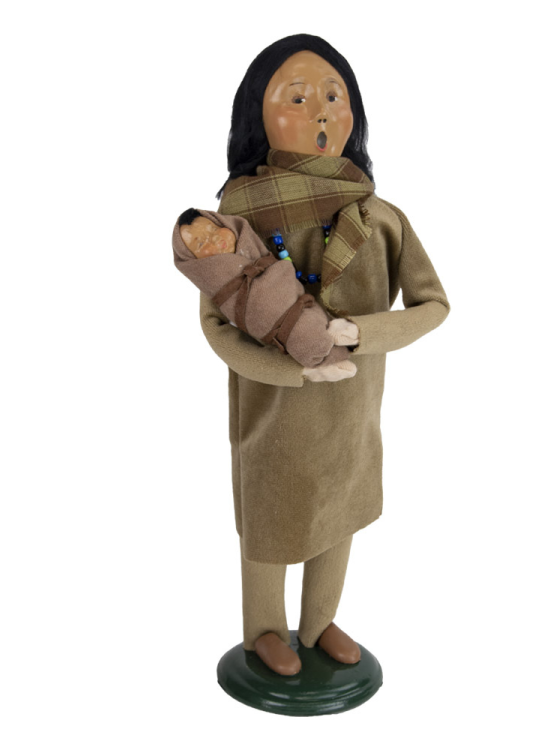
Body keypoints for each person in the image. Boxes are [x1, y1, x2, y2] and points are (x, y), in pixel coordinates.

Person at [195, 34, 450, 676]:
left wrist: (362, 332)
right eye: (297, 97)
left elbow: (433, 304)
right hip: (273, 414)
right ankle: (262, 630)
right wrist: (291, 368)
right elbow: (218, 329)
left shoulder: (381, 218)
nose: (320, 112)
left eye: (335, 97)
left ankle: (318, 621)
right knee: (270, 520)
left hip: (352, 412)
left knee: (341, 512)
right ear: (257, 116)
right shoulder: (236, 219)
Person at [172, 207, 357, 371]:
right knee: (305, 338)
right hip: (275, 358)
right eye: (201, 244)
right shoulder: (212, 279)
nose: (214, 238)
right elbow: (219, 331)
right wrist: (292, 373)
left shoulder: (247, 238)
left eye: (214, 229)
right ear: (195, 263)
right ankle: (326, 353)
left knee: (314, 318)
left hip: (299, 297)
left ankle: (333, 340)